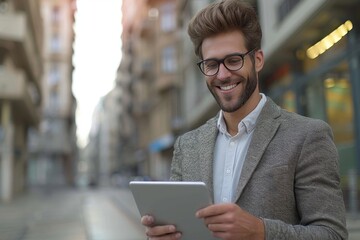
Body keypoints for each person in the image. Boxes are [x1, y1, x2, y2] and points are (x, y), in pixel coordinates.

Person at [141, 0, 348, 239]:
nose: (223, 74)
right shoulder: (187, 146)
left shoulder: (308, 136)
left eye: (233, 60)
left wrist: (261, 231)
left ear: (257, 60)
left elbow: (333, 234)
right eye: (212, 64)